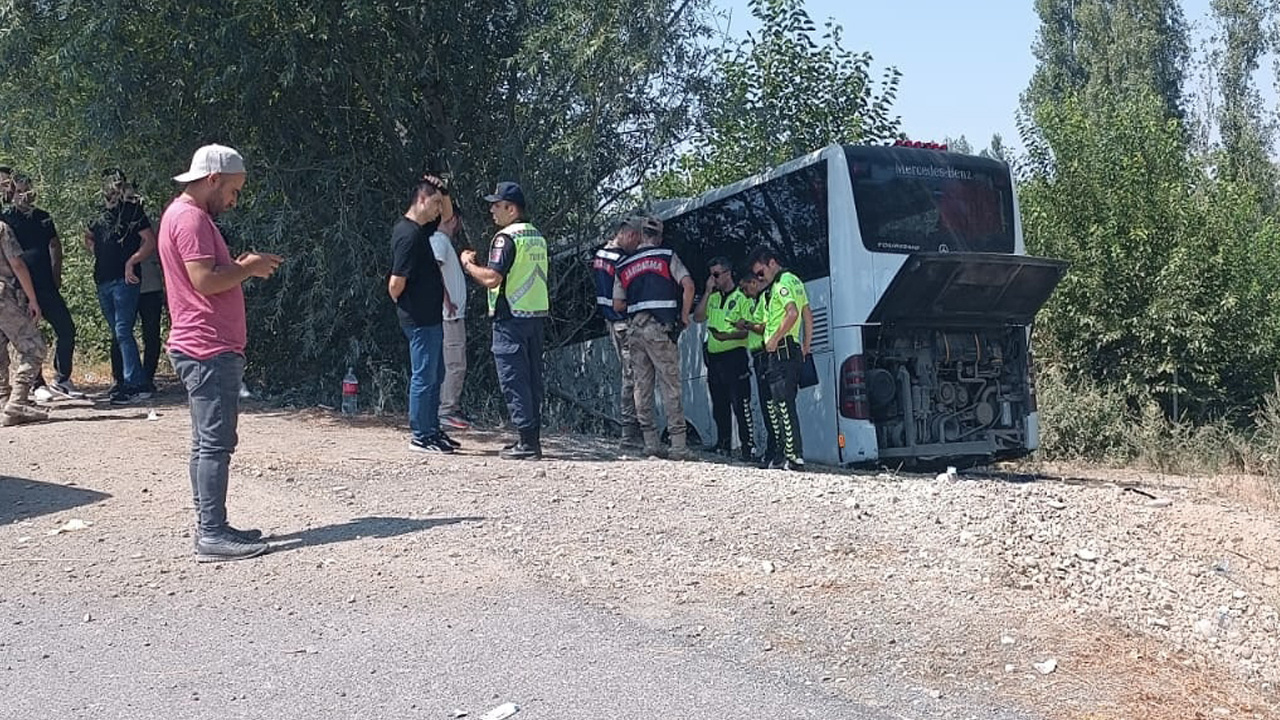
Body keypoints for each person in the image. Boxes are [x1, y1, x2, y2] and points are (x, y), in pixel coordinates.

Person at [159, 143, 282, 562]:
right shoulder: (190, 219)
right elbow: (205, 281)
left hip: (204, 345)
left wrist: (242, 264)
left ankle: (213, 525)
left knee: (206, 443)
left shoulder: (185, 216)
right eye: (232, 190)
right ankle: (211, 534)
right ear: (212, 179)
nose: (233, 200)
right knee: (214, 443)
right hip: (206, 347)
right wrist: (248, 268)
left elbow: (209, 275)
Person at [460, 181, 548, 460]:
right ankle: (532, 440)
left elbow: (492, 278)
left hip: (510, 317)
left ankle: (526, 443)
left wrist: (468, 265)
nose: (491, 211)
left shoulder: (505, 238)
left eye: (497, 205)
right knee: (532, 380)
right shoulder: (537, 236)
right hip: (534, 316)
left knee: (513, 379)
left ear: (511, 208)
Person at [612, 215, 695, 460]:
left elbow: (618, 304)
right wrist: (684, 315)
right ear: (658, 236)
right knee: (670, 385)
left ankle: (651, 443)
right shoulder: (666, 256)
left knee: (642, 387)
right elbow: (688, 285)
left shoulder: (624, 265)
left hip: (635, 331)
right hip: (661, 329)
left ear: (639, 235)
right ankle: (678, 445)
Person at [389, 175, 454, 454]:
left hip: (431, 317)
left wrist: (445, 192)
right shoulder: (408, 234)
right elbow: (395, 282)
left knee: (436, 374)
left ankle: (432, 429)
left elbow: (449, 220)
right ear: (422, 199)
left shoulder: (421, 230)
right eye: (436, 203)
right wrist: (405, 304)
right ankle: (420, 434)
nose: (440, 209)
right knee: (424, 376)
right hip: (418, 319)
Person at [2, 174, 81, 399]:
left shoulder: (43, 217)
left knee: (66, 328)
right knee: (27, 337)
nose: (24, 197)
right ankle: (36, 385)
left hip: (45, 285)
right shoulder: (6, 219)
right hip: (18, 287)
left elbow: (54, 244)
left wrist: (57, 273)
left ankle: (63, 378)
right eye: (19, 192)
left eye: (27, 191)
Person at [86, 168, 157, 404]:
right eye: (107, 182)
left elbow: (149, 241)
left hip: (126, 280)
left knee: (123, 330)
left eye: (116, 183)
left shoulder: (132, 211)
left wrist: (132, 261)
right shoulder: (95, 214)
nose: (112, 187)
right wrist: (96, 250)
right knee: (117, 332)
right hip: (103, 279)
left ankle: (135, 383)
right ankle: (127, 382)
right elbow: (88, 235)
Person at [747, 245, 813, 471]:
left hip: (781, 350)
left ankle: (793, 456)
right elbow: (807, 315)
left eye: (761, 272)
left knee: (783, 405)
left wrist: (774, 338)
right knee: (778, 404)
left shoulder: (782, 283)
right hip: (791, 349)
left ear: (772, 263)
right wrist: (806, 345)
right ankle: (782, 454)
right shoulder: (796, 281)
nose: (759, 277)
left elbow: (793, 313)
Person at [693, 257, 753, 460]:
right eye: (711, 274)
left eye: (717, 274)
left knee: (740, 404)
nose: (714, 278)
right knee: (719, 404)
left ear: (728, 273)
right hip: (715, 359)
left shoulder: (742, 296)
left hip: (735, 357)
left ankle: (747, 447)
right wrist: (708, 291)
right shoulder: (715, 297)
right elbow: (698, 317)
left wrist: (726, 336)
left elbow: (746, 331)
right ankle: (723, 443)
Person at [592, 218, 641, 446]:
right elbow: (626, 294)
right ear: (629, 235)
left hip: (611, 322)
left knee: (629, 374)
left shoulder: (600, 255)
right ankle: (630, 432)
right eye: (636, 240)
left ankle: (632, 429)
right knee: (633, 377)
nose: (636, 246)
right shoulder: (621, 261)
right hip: (624, 322)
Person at [0, 217, 49, 426]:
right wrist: (33, 299)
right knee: (35, 347)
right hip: (4, 296)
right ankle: (17, 403)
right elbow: (17, 264)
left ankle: (3, 400)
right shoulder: (2, 229)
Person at [431, 202, 471, 431]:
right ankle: (447, 409)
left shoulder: (442, 242)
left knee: (453, 362)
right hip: (450, 314)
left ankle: (448, 407)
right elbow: (434, 270)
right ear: (454, 219)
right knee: (455, 363)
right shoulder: (439, 241)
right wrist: (446, 300)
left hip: (452, 312)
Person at [736, 274, 777, 466]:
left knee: (771, 406)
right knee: (766, 406)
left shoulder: (764, 299)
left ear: (754, 282)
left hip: (764, 355)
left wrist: (746, 324)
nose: (745, 293)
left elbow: (763, 327)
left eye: (745, 288)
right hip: (757, 355)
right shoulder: (757, 300)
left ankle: (775, 451)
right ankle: (772, 450)